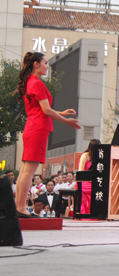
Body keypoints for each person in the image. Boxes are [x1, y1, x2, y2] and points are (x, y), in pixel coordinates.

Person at [14, 52, 81, 216]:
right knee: (29, 171)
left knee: (25, 170)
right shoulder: (37, 83)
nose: (47, 66)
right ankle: (21, 208)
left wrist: (61, 113)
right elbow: (46, 110)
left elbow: (41, 109)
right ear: (36, 64)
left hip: (32, 127)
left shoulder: (30, 82)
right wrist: (67, 121)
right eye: (45, 63)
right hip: (38, 129)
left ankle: (18, 207)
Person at [77, 139, 101, 215]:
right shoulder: (85, 156)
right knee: (91, 190)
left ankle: (98, 213)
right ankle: (86, 213)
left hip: (93, 181)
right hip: (83, 181)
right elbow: (80, 171)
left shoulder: (98, 157)